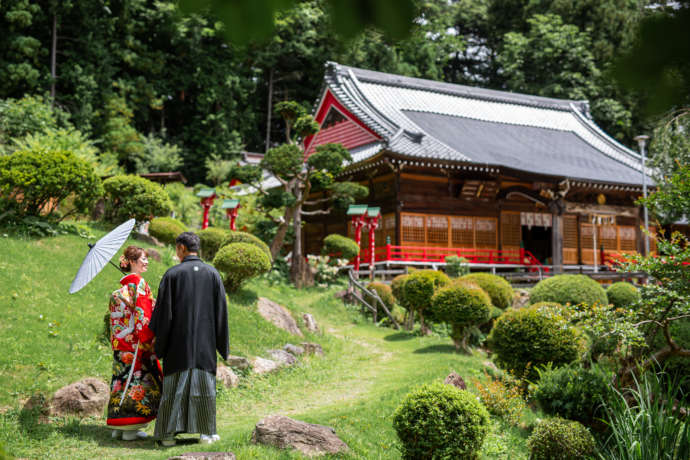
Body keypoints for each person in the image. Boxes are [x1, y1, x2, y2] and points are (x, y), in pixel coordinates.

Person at [149, 232, 229, 446]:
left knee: (174, 388)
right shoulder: (213, 274)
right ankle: (206, 433)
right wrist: (222, 345)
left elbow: (163, 313)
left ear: (181, 248)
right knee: (204, 390)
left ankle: (167, 435)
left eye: (177, 249)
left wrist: (159, 344)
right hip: (205, 344)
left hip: (178, 344)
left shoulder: (172, 274)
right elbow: (221, 311)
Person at [106, 246, 163, 441]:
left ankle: (118, 426)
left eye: (147, 259)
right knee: (136, 382)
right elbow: (142, 316)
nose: (146, 262)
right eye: (142, 259)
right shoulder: (138, 284)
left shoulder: (121, 289)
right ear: (131, 262)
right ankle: (130, 427)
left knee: (120, 381)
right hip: (136, 344)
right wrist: (149, 337)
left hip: (121, 344)